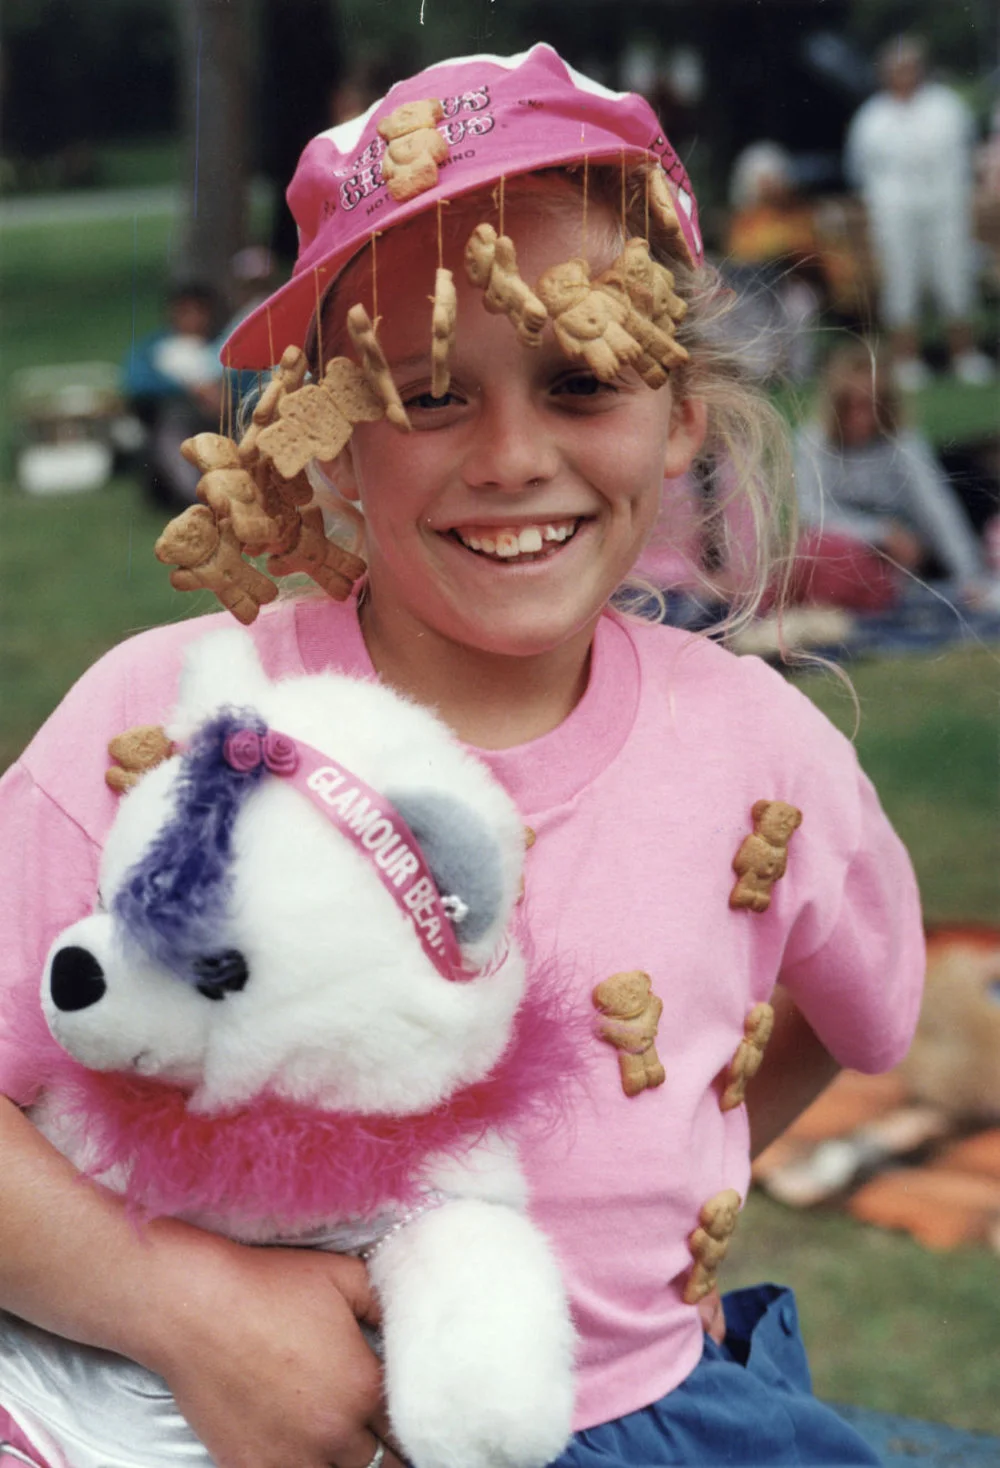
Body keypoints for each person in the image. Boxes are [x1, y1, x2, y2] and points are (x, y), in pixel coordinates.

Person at [0, 45, 924, 1468]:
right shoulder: (169, 721)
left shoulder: (765, 755)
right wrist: (181, 1303)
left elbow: (858, 1017)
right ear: (326, 442)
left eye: (581, 379)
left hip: (647, 1423)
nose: (509, 456)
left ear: (680, 418)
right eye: (429, 393)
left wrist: (671, 1156)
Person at [845, 34, 995, 392]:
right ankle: (907, 360)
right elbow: (859, 170)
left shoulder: (946, 106)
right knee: (901, 280)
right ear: (886, 73)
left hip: (945, 203)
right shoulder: (871, 118)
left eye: (910, 67)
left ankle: (964, 354)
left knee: (954, 273)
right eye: (898, 69)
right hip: (895, 208)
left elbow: (967, 154)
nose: (905, 74)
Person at [793, 340, 992, 608]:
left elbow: (935, 507)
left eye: (871, 404)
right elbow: (810, 512)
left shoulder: (903, 441)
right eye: (852, 405)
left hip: (902, 554)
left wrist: (970, 575)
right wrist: (878, 533)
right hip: (843, 550)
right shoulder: (812, 442)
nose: (862, 417)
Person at [724, 142, 830, 382]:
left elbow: (811, 253)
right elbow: (741, 255)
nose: (770, 186)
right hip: (752, 292)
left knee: (800, 306)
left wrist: (784, 247)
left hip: (789, 288)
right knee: (742, 312)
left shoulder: (797, 212)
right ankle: (760, 374)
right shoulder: (744, 219)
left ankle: (798, 374)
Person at [121, 280, 226, 508]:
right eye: (185, 312)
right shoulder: (156, 347)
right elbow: (135, 381)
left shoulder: (221, 345)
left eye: (199, 312)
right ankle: (196, 498)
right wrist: (190, 388)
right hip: (175, 417)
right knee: (172, 434)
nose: (192, 319)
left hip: (220, 416)